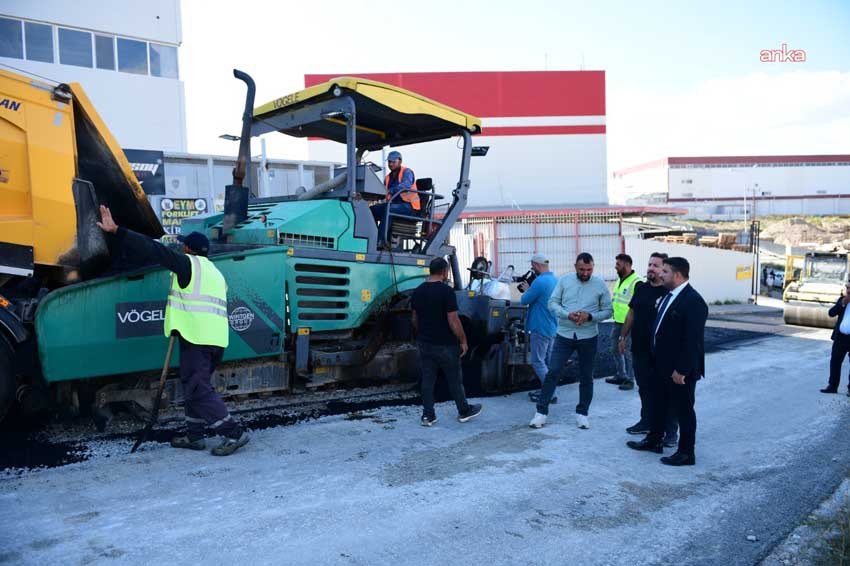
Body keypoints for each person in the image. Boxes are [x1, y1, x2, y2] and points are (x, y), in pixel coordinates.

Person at [96, 205, 249, 456]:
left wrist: (117, 231)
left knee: (198, 390)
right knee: (193, 386)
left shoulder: (188, 265)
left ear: (189, 249)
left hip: (198, 339)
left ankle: (233, 434)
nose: (180, 247)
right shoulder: (214, 272)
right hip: (212, 340)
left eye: (183, 245)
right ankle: (195, 436)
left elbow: (153, 249)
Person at [627, 257, 708, 466]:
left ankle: (686, 453)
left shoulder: (693, 301)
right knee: (658, 404)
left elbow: (692, 341)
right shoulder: (668, 296)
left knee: (683, 410)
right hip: (661, 365)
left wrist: (682, 370)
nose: (660, 275)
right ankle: (654, 440)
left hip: (679, 370)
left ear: (677, 275)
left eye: (665, 272)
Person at [529, 252, 612, 429]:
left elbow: (608, 310)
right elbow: (552, 303)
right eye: (582, 269)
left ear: (593, 268)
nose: (585, 273)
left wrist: (590, 316)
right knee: (553, 372)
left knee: (586, 376)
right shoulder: (564, 281)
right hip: (564, 335)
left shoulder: (600, 284)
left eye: (589, 270)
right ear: (575, 267)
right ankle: (541, 413)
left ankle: (582, 414)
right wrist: (567, 315)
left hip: (588, 337)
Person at [410, 257, 483, 426]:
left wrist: (419, 336)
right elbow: (453, 320)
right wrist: (463, 340)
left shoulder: (418, 291)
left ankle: (428, 416)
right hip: (446, 345)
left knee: (428, 380)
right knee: (454, 379)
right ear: (444, 272)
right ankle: (464, 411)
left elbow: (414, 318)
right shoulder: (446, 291)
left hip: (425, 343)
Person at [617, 252, 679, 446]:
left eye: (656, 265)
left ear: (664, 270)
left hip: (661, 353)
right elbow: (631, 313)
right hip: (640, 349)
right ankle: (646, 421)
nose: (651, 268)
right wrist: (623, 336)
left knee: (666, 392)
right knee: (644, 388)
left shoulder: (669, 293)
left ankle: (671, 432)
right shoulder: (642, 288)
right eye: (650, 264)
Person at [519, 253, 558, 404]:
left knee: (537, 361)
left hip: (540, 326)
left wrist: (527, 289)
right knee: (547, 361)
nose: (531, 268)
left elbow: (524, 300)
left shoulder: (539, 282)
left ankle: (549, 393)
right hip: (552, 326)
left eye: (532, 266)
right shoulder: (555, 280)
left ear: (536, 265)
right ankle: (547, 390)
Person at [606, 254, 642, 391]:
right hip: (618, 322)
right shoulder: (620, 280)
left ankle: (630, 380)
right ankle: (621, 375)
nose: (615, 267)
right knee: (615, 349)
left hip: (630, 324)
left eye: (618, 264)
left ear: (627, 265)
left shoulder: (637, 282)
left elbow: (638, 307)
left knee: (628, 352)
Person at [370, 150, 421, 241]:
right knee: (372, 210)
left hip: (410, 206)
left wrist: (391, 191)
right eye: (389, 162)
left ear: (400, 161)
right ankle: (373, 236)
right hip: (394, 205)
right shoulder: (387, 178)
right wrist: (371, 196)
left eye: (393, 162)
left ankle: (380, 240)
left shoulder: (406, 172)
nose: (391, 164)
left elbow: (406, 185)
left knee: (389, 209)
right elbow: (384, 192)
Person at [821, 282, 850, 396]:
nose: (848, 290)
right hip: (840, 337)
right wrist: (842, 304)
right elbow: (831, 313)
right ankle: (832, 386)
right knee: (835, 362)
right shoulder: (842, 300)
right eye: (847, 288)